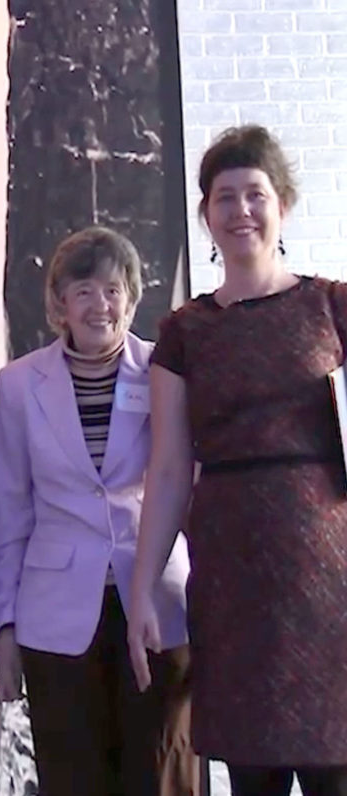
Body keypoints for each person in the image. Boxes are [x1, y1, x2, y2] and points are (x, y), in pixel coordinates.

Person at [128, 124, 347, 796]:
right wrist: (141, 587)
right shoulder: (185, 331)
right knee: (250, 774)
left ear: (281, 203)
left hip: (329, 574)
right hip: (229, 573)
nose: (241, 210)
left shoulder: (332, 305)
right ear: (206, 214)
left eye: (255, 193)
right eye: (225, 197)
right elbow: (167, 470)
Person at [0, 226, 197, 796]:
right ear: (60, 303)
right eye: (83, 291)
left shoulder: (166, 371)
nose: (99, 305)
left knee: (162, 772)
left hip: (156, 603)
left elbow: (190, 490)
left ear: (131, 297)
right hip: (55, 617)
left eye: (111, 290)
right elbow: (8, 513)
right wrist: (2, 626)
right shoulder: (18, 385)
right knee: (74, 775)